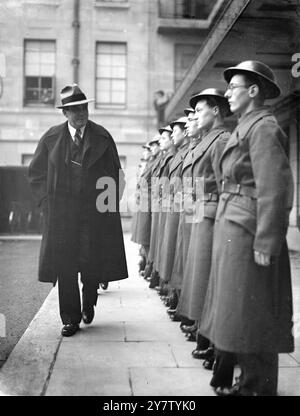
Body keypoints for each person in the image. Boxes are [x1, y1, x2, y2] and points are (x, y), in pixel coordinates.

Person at [200, 61, 294, 396]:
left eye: (233, 87)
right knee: (238, 309)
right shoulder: (247, 126)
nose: (227, 93)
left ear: (253, 91)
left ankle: (257, 387)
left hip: (250, 228)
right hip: (236, 224)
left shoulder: (263, 127)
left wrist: (267, 241)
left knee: (252, 310)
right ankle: (246, 380)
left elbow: (276, 188)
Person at [28, 84, 128, 337]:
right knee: (66, 266)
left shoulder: (102, 137)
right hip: (61, 217)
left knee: (91, 260)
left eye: (83, 107)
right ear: (65, 113)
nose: (81, 113)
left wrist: (108, 207)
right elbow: (36, 174)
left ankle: (89, 301)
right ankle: (70, 318)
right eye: (74, 109)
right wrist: (45, 204)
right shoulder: (51, 139)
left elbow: (117, 175)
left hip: (94, 215)